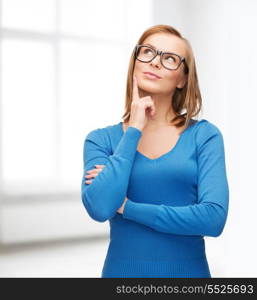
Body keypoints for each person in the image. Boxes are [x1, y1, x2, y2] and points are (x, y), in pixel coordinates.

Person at [81, 24, 229, 278]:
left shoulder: (204, 136)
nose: (156, 63)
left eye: (170, 58)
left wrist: (128, 208)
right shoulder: (101, 140)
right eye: (147, 52)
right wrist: (134, 131)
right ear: (135, 63)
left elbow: (213, 218)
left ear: (183, 78)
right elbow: (100, 207)